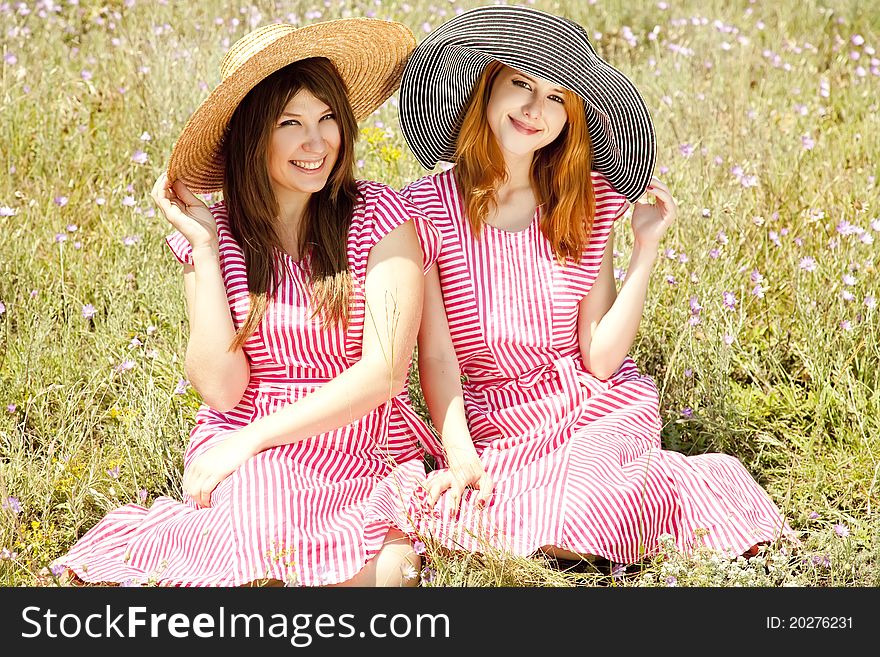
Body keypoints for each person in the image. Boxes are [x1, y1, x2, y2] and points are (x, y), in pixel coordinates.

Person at [52, 19, 442, 587]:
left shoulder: (380, 216)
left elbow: (383, 374)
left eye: (327, 118)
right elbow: (221, 389)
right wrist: (206, 251)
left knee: (385, 573)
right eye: (291, 124)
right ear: (252, 136)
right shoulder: (220, 233)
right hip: (249, 441)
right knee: (264, 509)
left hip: (355, 436)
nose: (317, 143)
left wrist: (252, 438)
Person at [398, 5, 793, 565]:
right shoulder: (427, 208)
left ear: (572, 116)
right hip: (493, 422)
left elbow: (601, 358)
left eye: (558, 96)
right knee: (475, 513)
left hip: (588, 408)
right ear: (484, 91)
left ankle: (611, 516)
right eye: (521, 85)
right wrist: (459, 455)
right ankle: (599, 529)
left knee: (588, 500)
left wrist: (645, 249)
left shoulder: (587, 200)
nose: (537, 109)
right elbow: (437, 355)